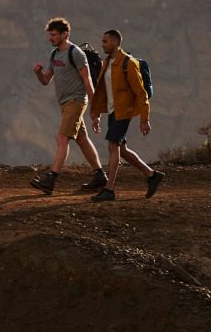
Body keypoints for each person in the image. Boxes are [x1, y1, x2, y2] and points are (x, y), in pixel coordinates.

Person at [29, 17, 107, 195]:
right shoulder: (54, 54)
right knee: (81, 139)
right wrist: (38, 73)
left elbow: (88, 82)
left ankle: (51, 179)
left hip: (77, 101)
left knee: (62, 138)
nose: (51, 38)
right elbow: (46, 80)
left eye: (54, 35)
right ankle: (100, 176)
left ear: (65, 34)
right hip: (64, 103)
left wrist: (95, 110)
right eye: (50, 35)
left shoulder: (76, 53)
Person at [88, 29, 165, 201]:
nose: (102, 44)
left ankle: (109, 189)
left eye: (105, 41)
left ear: (115, 42)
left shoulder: (129, 63)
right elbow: (102, 91)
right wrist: (96, 114)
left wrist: (145, 119)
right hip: (113, 110)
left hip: (124, 111)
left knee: (113, 146)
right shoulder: (107, 62)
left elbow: (141, 93)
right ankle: (152, 175)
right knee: (121, 149)